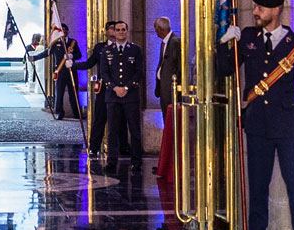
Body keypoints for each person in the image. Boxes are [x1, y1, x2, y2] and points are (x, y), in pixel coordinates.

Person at [217, 0, 294, 230]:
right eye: (255, 8)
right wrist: (223, 43)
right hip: (258, 124)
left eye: (261, 9)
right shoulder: (249, 39)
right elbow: (224, 69)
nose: (255, 13)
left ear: (276, 10)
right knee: (258, 184)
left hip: (287, 124)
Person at [75, 20, 146, 174]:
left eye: (123, 30)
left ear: (127, 32)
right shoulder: (107, 51)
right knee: (112, 130)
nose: (120, 32)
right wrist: (114, 87)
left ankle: (136, 162)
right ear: (113, 32)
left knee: (134, 130)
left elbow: (139, 71)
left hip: (130, 96)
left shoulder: (135, 50)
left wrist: (126, 87)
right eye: (117, 30)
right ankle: (111, 161)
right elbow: (104, 73)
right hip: (112, 96)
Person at [27, 24, 83, 119]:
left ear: (68, 31)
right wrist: (34, 58)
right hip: (60, 72)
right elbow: (46, 53)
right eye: (62, 30)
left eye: (65, 30)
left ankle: (77, 114)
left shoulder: (73, 42)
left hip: (71, 71)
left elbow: (79, 55)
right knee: (59, 94)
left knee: (73, 93)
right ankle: (59, 113)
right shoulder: (55, 43)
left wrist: (72, 56)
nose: (63, 32)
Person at [153, 17, 182, 183]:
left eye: (155, 28)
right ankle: (165, 162)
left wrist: (175, 87)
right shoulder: (165, 42)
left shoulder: (175, 42)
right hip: (163, 90)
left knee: (172, 126)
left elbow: (178, 66)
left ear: (159, 28)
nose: (155, 31)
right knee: (166, 124)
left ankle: (171, 163)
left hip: (172, 92)